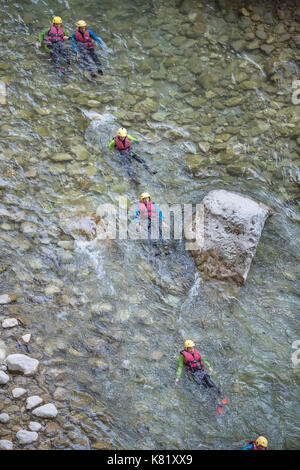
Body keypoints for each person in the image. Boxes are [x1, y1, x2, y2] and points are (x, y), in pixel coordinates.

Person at [175, 340, 227, 413]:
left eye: (193, 348)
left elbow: (203, 359)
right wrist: (177, 377)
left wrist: (209, 367)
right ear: (186, 349)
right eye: (190, 348)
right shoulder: (183, 356)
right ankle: (216, 405)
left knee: (210, 383)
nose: (192, 349)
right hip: (194, 374)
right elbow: (180, 367)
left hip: (202, 372)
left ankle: (221, 397)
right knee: (204, 389)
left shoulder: (196, 352)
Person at [134, 192, 169, 256]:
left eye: (147, 198)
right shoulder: (139, 207)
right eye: (145, 199)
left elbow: (159, 213)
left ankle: (166, 249)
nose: (146, 200)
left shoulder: (153, 205)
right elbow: (135, 216)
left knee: (161, 236)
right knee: (151, 238)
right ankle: (157, 250)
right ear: (142, 200)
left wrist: (163, 222)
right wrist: (137, 224)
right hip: (147, 224)